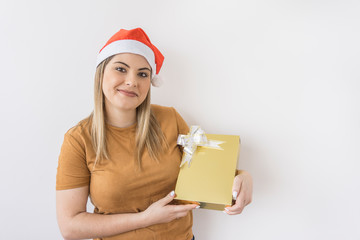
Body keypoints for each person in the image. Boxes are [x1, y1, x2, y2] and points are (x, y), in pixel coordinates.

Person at [56, 28, 253, 240]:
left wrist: (242, 176)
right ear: (101, 72)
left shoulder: (170, 119)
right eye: (121, 69)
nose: (132, 81)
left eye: (143, 74)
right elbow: (70, 227)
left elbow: (202, 177)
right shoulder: (79, 140)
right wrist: (146, 218)